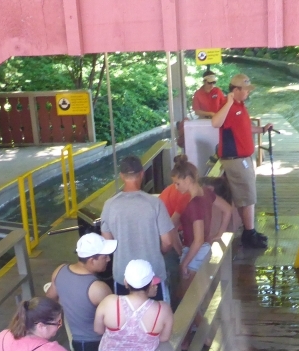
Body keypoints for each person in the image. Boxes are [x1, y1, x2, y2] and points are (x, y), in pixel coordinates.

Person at [101, 155, 178, 304]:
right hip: (153, 275)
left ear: (121, 176)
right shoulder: (155, 203)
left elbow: (107, 243)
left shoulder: (109, 205)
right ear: (142, 174)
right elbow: (168, 242)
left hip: (123, 276)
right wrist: (155, 252)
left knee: (127, 315)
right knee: (158, 315)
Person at [210, 73, 273, 249]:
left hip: (244, 158)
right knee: (248, 196)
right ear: (235, 90)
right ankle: (249, 233)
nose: (248, 92)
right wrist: (228, 102)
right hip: (236, 159)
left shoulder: (241, 106)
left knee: (246, 196)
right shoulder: (228, 105)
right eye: (245, 89)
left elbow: (244, 128)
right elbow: (215, 123)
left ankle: (249, 231)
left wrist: (262, 129)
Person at [94, 259, 174, 351]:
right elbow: (164, 338)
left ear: (126, 282)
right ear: (151, 283)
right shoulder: (162, 309)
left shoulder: (109, 302)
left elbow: (98, 330)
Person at [46, 234, 115, 351]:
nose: (108, 259)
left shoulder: (59, 271)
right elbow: (116, 322)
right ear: (92, 260)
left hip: (77, 345)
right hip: (99, 346)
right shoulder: (98, 288)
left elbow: (50, 298)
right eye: (104, 256)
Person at [171, 157, 232, 288]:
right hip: (204, 249)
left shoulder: (193, 203)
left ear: (188, 180)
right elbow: (227, 210)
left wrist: (184, 263)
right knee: (200, 291)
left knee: (187, 294)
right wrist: (219, 234)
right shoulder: (206, 192)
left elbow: (198, 240)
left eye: (177, 183)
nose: (175, 187)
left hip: (194, 252)